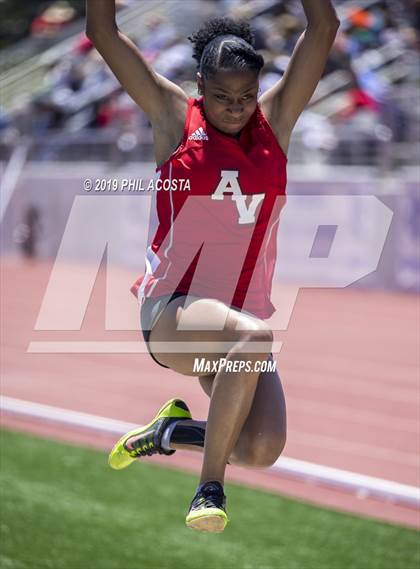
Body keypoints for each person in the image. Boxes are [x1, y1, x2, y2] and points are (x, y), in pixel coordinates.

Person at [86, 0, 339, 533]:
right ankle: (208, 487)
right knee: (253, 337)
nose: (235, 108)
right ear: (200, 85)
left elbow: (324, 26)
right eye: (222, 97)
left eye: (246, 97)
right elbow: (101, 30)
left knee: (262, 447)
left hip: (237, 320)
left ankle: (168, 433)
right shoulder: (174, 116)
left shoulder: (276, 124)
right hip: (174, 313)